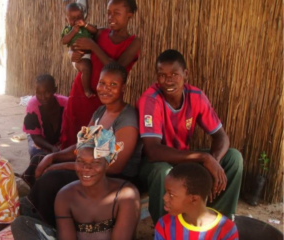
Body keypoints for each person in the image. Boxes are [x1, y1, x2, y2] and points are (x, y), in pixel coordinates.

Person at [26, 62, 142, 226]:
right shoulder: (100, 112)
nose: (105, 88)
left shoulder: (126, 119)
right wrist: (53, 157)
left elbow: (114, 166)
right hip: (92, 167)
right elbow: (82, 146)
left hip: (113, 177)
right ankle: (32, 212)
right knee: (38, 161)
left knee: (51, 179)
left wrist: (61, 166)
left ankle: (46, 227)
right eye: (102, 83)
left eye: (113, 85)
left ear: (123, 88)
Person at [138, 49, 243, 224]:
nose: (168, 80)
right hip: (153, 163)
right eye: (162, 75)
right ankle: (167, 229)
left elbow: (221, 137)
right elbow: (153, 151)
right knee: (162, 172)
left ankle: (217, 223)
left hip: (183, 158)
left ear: (185, 74)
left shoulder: (196, 96)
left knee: (234, 158)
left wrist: (213, 162)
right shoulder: (150, 100)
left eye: (174, 74)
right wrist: (203, 158)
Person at [12, 125, 140, 240]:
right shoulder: (65, 196)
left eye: (95, 162)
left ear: (108, 163)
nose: (86, 168)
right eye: (80, 161)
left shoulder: (126, 195)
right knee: (21, 225)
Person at [59, 0, 141, 148]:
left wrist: (93, 46)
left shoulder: (134, 42)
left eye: (117, 13)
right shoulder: (100, 33)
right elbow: (77, 48)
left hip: (106, 100)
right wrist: (73, 56)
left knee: (96, 142)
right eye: (109, 13)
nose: (111, 17)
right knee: (73, 134)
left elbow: (117, 68)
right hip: (81, 92)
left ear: (130, 15)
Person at [154, 163, 238, 240]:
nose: (164, 197)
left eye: (171, 195)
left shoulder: (226, 230)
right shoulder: (164, 225)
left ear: (194, 199)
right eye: (166, 192)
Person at [21, 74, 68, 186]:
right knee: (37, 155)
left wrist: (59, 149)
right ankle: (36, 184)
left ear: (54, 90)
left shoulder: (66, 103)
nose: (43, 97)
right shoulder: (32, 104)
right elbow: (35, 136)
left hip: (59, 139)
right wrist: (52, 148)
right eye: (39, 93)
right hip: (38, 138)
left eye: (47, 92)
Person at [61, 2, 98, 98]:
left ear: (84, 16)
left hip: (90, 53)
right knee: (86, 68)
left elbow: (96, 31)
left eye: (79, 17)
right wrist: (73, 31)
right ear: (66, 20)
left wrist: (85, 25)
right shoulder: (68, 29)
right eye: (72, 18)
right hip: (79, 57)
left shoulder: (86, 26)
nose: (76, 20)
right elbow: (64, 41)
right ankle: (87, 90)